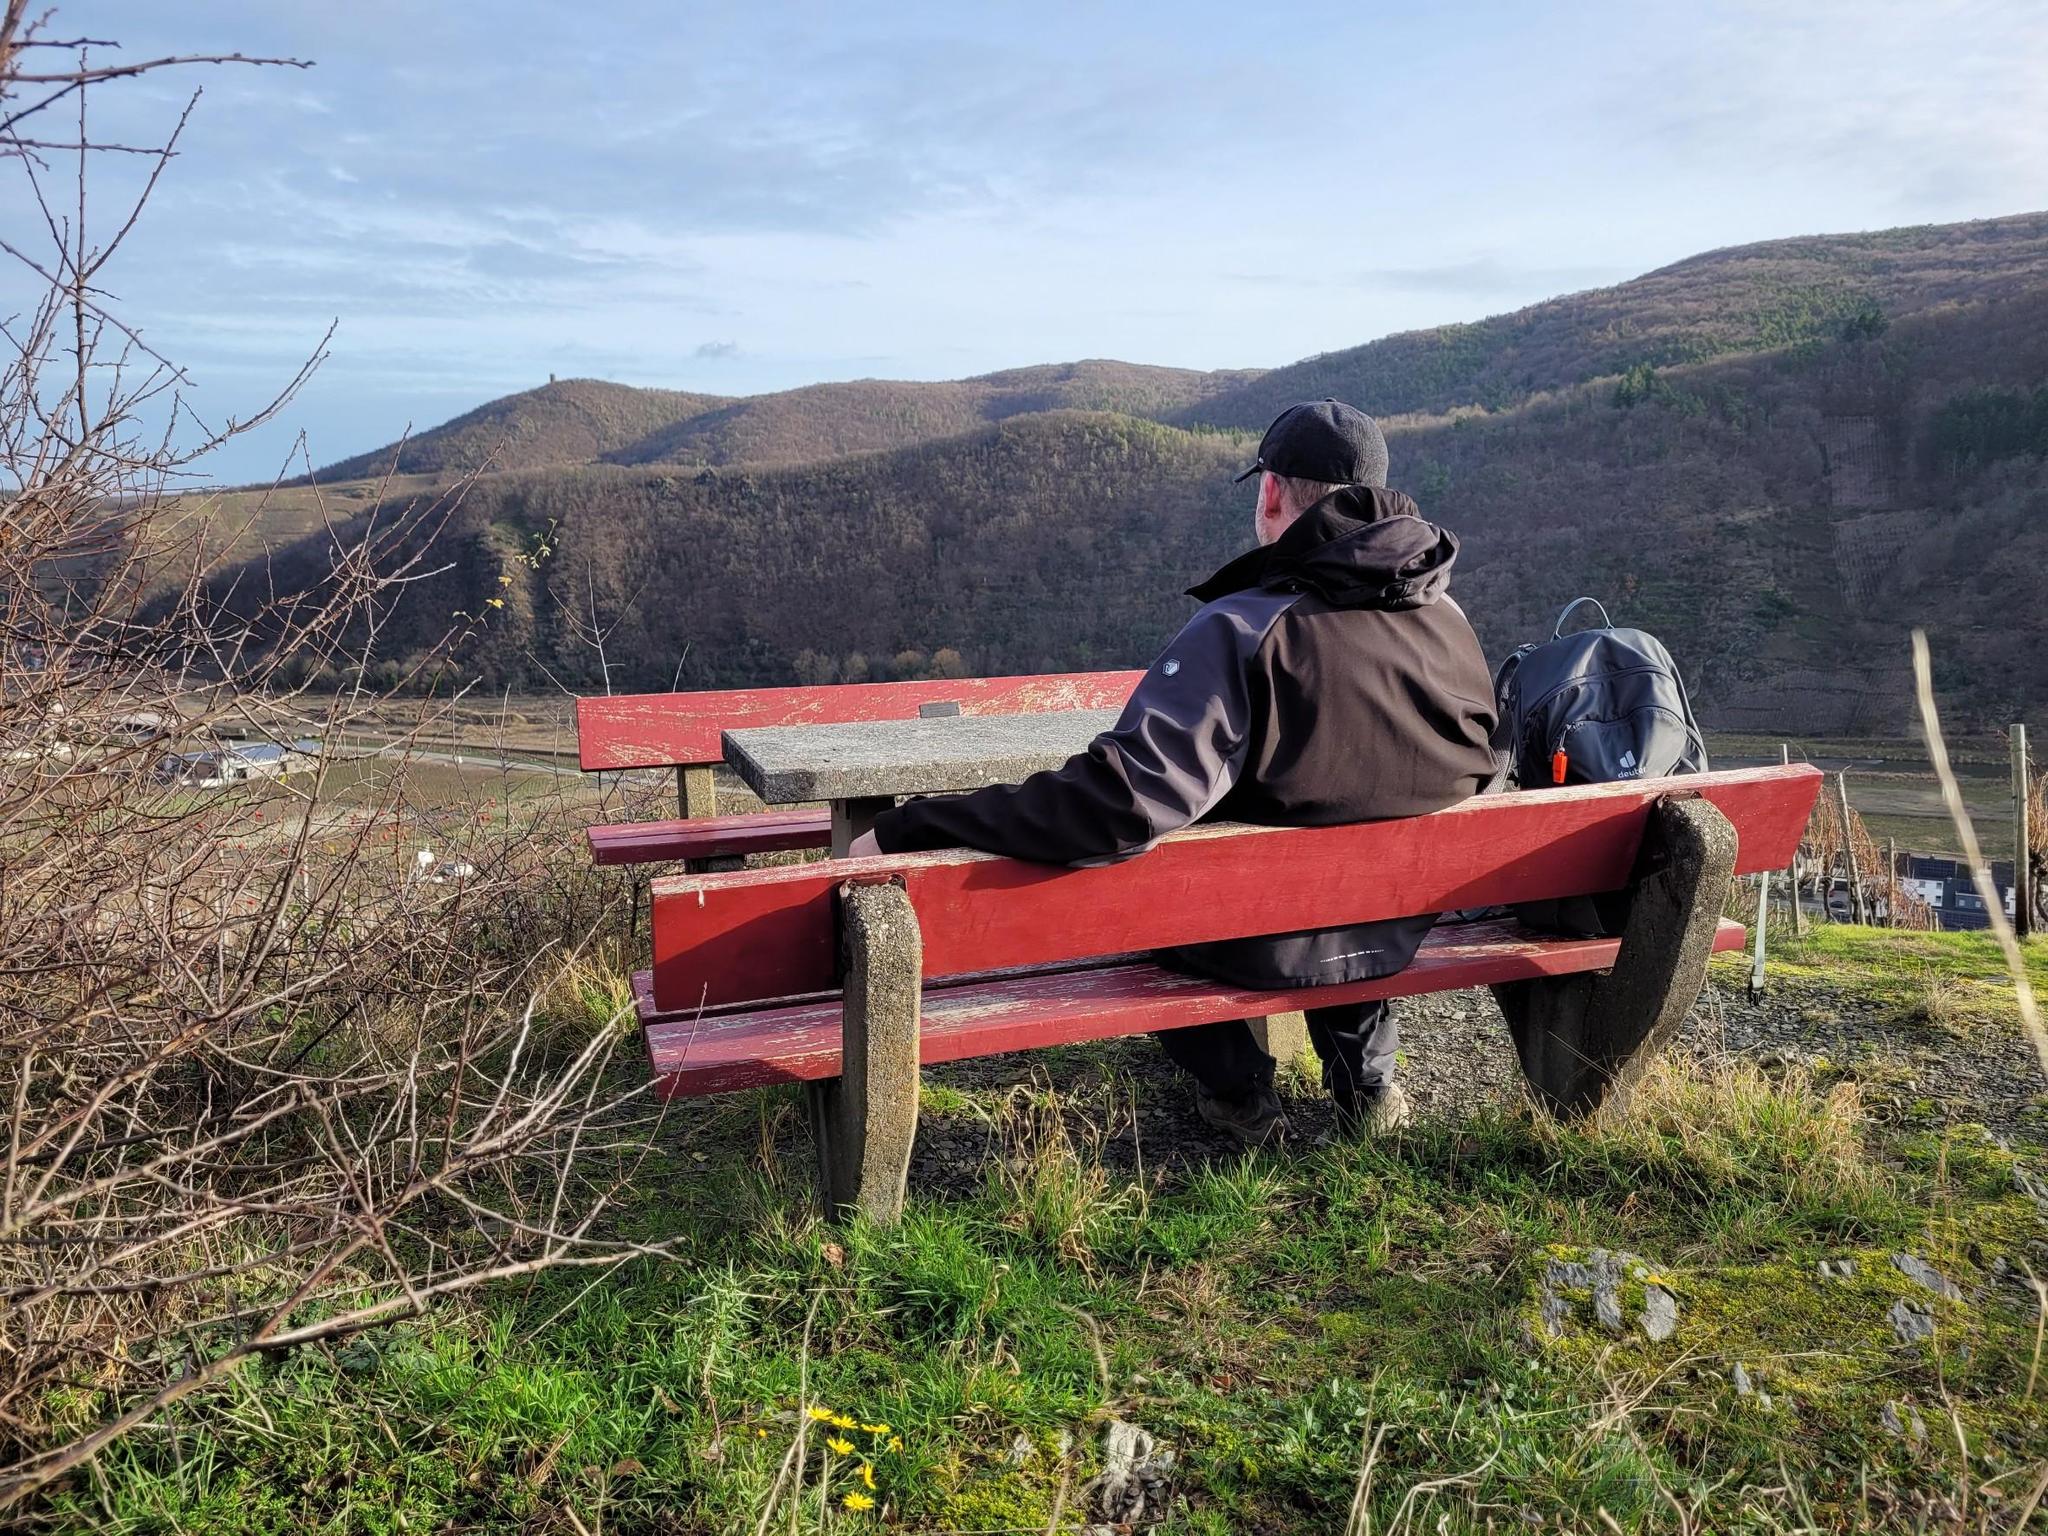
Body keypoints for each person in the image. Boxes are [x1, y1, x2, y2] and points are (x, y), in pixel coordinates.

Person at [849, 399, 1498, 1143]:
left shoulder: (1246, 628)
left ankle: (1240, 1093)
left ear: (1270, 493)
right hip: (1397, 924)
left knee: (1151, 891)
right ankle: (1369, 1086)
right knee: (1348, 862)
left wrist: (912, 824)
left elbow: (1117, 803)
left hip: (1255, 938)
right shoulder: (1446, 617)